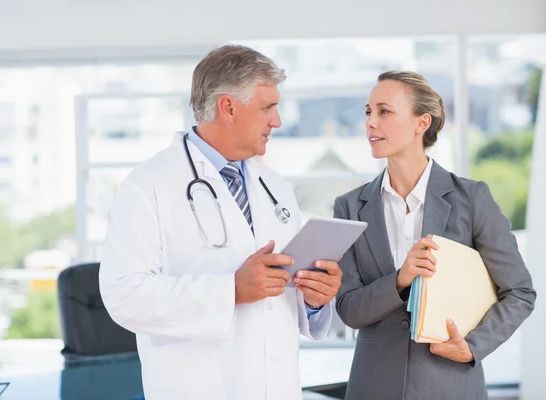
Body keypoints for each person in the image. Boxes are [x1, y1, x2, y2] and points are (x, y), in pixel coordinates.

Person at [99, 44, 342, 400]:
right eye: (267, 107)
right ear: (228, 107)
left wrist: (315, 298)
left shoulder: (276, 187)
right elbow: (124, 296)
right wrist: (230, 290)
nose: (276, 120)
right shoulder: (147, 185)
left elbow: (282, 296)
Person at [333, 70, 536, 400]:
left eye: (384, 111)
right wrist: (400, 279)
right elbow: (348, 309)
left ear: (421, 123)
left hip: (450, 386)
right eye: (368, 112)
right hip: (373, 386)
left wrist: (472, 347)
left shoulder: (472, 199)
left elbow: (520, 292)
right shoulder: (350, 207)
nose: (371, 122)